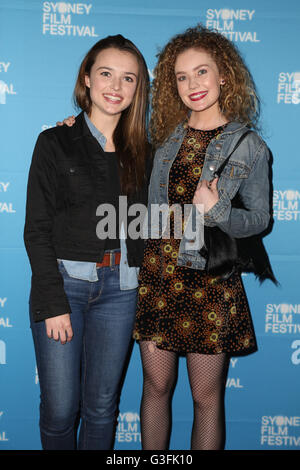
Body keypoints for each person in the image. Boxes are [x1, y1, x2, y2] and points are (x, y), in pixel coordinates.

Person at [132, 24, 275, 450]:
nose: (192, 84)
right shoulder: (164, 138)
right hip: (159, 275)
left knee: (205, 397)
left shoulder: (250, 146)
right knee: (155, 388)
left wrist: (219, 211)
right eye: (181, 76)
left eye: (202, 72)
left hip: (210, 282)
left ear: (224, 76)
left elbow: (261, 220)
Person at [24, 34, 151, 450]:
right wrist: (52, 302)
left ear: (138, 88)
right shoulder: (56, 142)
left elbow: (153, 225)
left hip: (122, 290)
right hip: (66, 286)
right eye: (106, 74)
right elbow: (37, 229)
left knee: (101, 408)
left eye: (128, 78)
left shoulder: (145, 153)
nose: (115, 87)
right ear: (87, 78)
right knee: (60, 411)